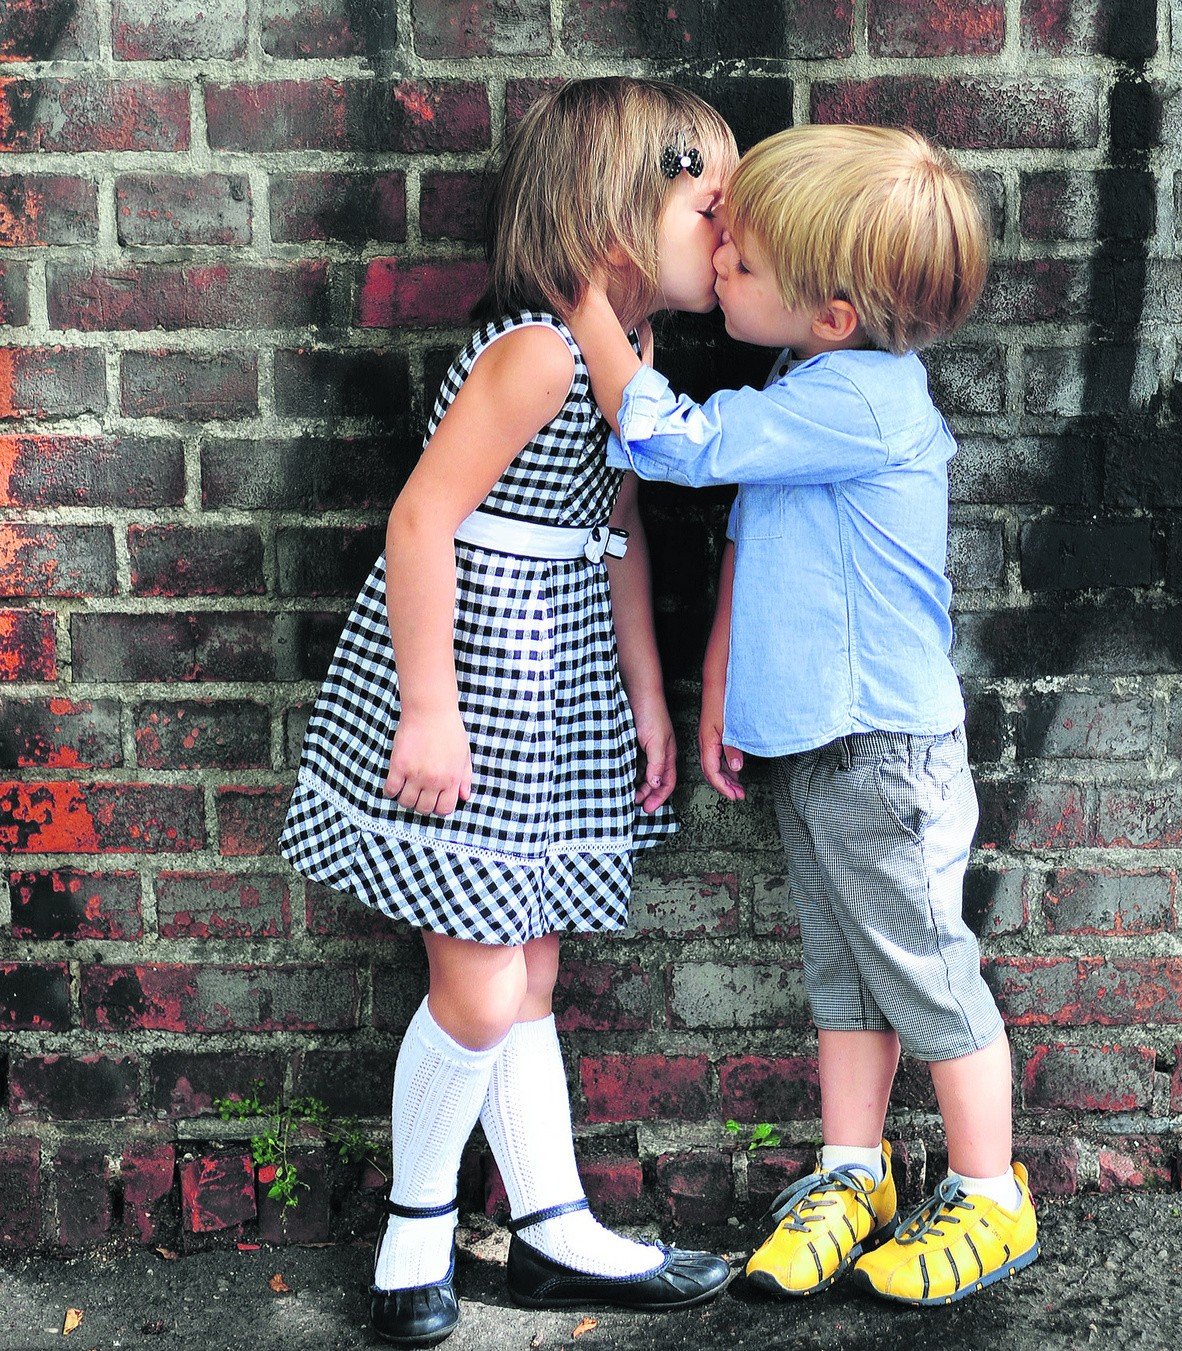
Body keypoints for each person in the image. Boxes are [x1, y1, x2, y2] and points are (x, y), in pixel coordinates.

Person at [279, 77, 737, 1346]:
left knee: (527, 969)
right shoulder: (536, 352)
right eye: (711, 205)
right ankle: (413, 1229)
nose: (731, 232)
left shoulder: (631, 359)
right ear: (615, 220)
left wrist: (648, 693)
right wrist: (428, 707)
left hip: (559, 690)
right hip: (470, 683)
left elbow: (621, 528)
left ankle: (553, 1227)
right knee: (480, 989)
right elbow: (422, 518)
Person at [565, 122, 1039, 1308]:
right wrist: (728, 688)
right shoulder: (811, 383)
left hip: (882, 752)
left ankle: (990, 1192)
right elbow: (755, 542)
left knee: (927, 977)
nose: (718, 256)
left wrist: (590, 318)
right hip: (817, 741)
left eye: (746, 256)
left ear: (830, 312)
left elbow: (672, 445)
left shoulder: (863, 400)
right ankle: (852, 1173)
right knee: (848, 976)